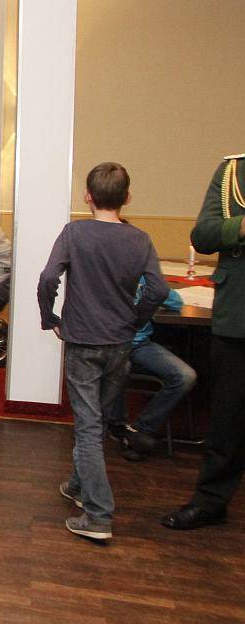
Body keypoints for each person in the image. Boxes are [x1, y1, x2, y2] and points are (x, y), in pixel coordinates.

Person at [38, 162, 168, 541]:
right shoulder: (140, 239)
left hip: (83, 341)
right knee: (95, 421)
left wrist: (49, 317)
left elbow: (48, 278)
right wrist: (135, 319)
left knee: (89, 427)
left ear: (87, 197)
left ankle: (98, 515)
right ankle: (78, 485)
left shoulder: (74, 233)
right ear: (127, 197)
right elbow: (158, 289)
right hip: (119, 343)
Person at [162, 151, 245, 531]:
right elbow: (204, 234)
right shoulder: (233, 172)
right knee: (227, 420)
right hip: (238, 316)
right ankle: (211, 501)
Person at [109, 281, 193, 462]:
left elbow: (175, 302)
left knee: (185, 376)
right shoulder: (107, 273)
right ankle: (117, 426)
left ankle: (140, 429)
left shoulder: (146, 276)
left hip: (141, 344)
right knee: (120, 369)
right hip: (112, 344)